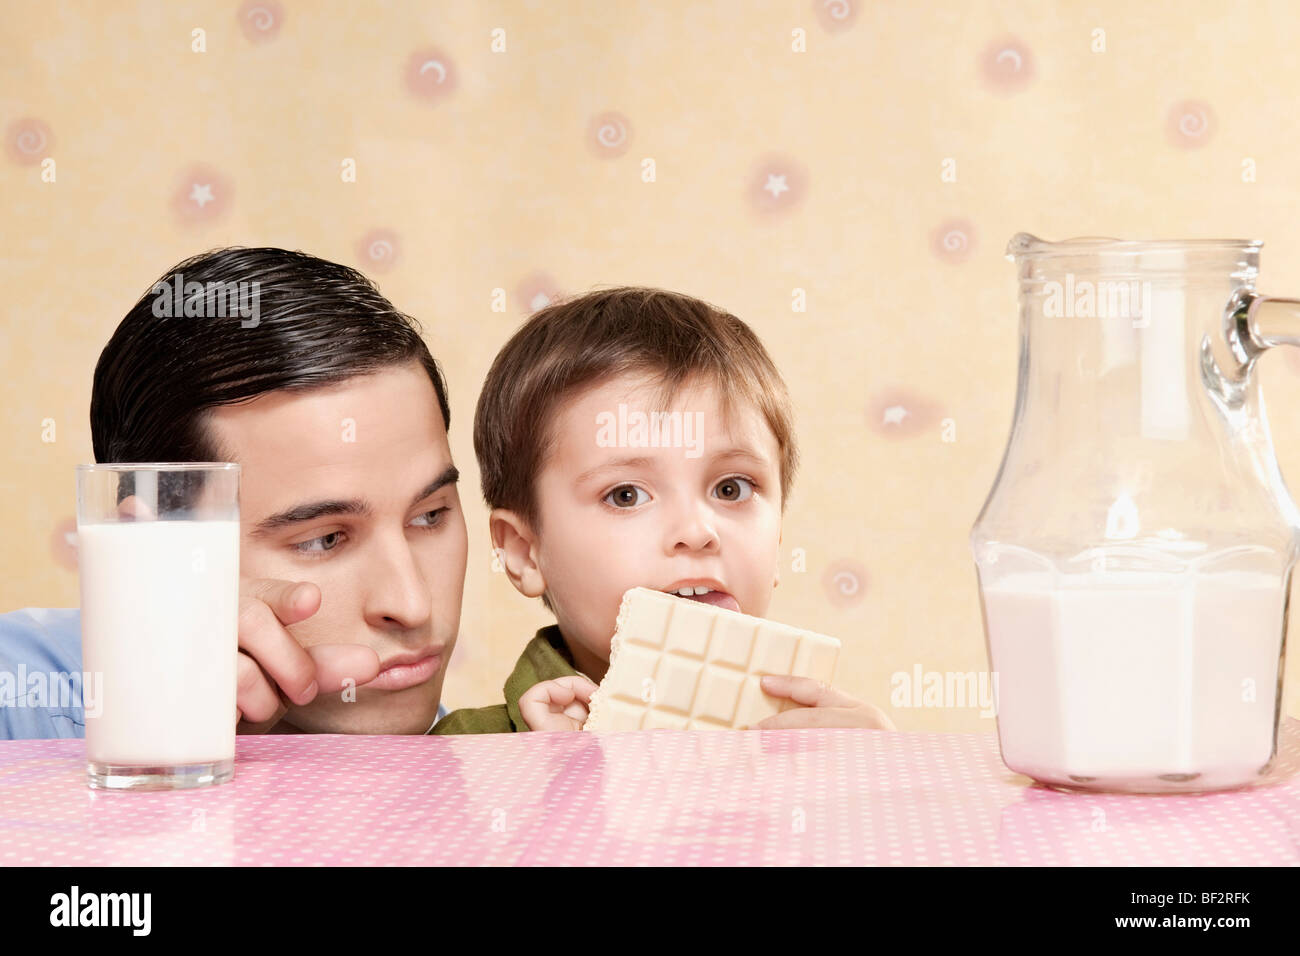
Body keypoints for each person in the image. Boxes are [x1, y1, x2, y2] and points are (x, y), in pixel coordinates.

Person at [0, 247, 468, 737]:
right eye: (324, 539)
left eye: (429, 516)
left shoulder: (476, 745)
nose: (413, 605)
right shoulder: (20, 699)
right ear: (146, 547)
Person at [432, 287, 894, 734]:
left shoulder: (833, 752)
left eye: (731, 489)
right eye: (626, 495)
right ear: (525, 552)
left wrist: (882, 789)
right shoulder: (462, 760)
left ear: (777, 539)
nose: (696, 532)